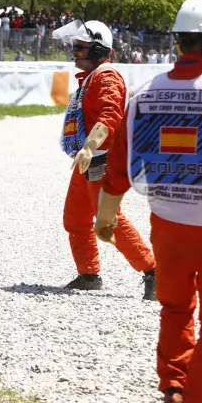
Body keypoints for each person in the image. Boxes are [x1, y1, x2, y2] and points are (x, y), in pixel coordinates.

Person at [94, 0, 202, 403]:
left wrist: (106, 214)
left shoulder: (145, 91)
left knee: (174, 305)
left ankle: (174, 389)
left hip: (167, 220)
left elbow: (120, 164)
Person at [53, 18, 156, 298]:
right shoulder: (92, 76)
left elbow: (110, 116)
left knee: (109, 220)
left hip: (100, 159)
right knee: (75, 218)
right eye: (74, 46)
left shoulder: (107, 76)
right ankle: (89, 274)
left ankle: (153, 272)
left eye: (80, 47)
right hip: (88, 158)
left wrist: (88, 147)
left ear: (98, 49)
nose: (74, 51)